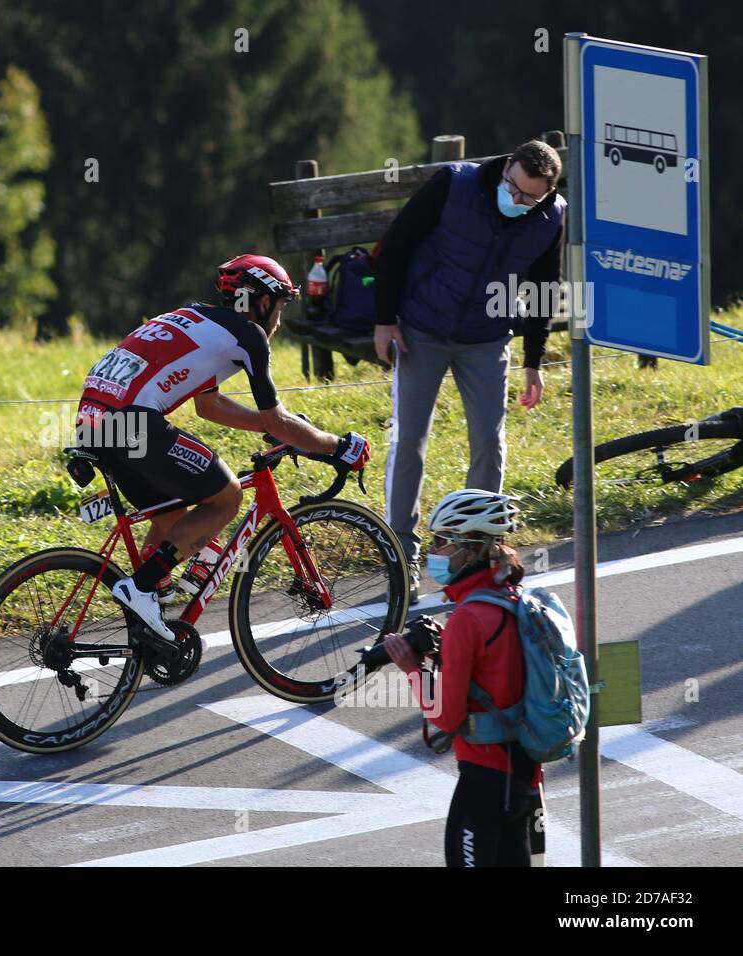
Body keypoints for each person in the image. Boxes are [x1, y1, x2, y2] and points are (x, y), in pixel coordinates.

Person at [75, 254, 372, 643]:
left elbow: (209, 405)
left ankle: (148, 627)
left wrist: (279, 430)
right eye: (280, 306)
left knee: (174, 520)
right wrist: (338, 446)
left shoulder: (194, 318)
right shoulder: (249, 335)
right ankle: (142, 589)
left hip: (93, 425)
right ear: (262, 303)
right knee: (226, 498)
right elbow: (275, 419)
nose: (279, 320)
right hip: (132, 424)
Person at [373, 140, 566, 601]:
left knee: (488, 442)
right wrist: (384, 319)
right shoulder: (454, 183)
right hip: (421, 327)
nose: (516, 201)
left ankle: (474, 554)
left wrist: (534, 361)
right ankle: (400, 552)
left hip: (487, 336)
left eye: (528, 198)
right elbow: (396, 244)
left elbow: (543, 285)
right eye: (512, 188)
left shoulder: (552, 215)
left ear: (547, 193)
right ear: (505, 168)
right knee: (410, 439)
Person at [382, 489, 547, 867]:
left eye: (441, 541)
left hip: (485, 784)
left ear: (470, 548)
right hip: (523, 777)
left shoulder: (467, 620)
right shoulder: (513, 598)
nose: (433, 550)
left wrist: (411, 667)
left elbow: (446, 717)